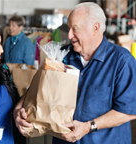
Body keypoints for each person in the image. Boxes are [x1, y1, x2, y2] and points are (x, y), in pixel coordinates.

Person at [13, 2, 136, 144]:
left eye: (75, 29)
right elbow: (37, 89)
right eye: (68, 28)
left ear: (95, 28)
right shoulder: (61, 56)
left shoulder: (122, 61)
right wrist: (18, 109)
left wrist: (88, 127)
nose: (69, 35)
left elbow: (129, 111)